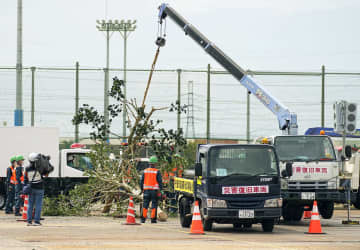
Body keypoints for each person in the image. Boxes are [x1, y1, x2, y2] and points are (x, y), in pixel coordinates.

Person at [24, 152, 46, 226]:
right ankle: (36, 221)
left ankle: (29, 221)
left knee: (30, 205)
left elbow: (25, 179)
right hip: (40, 188)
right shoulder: (40, 168)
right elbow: (45, 175)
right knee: (38, 205)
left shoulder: (27, 168)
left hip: (31, 188)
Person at [140, 156, 163, 223]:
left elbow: (141, 181)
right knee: (154, 204)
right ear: (155, 164)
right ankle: (153, 219)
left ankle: (143, 219)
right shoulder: (157, 172)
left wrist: (142, 189)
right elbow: (160, 181)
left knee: (145, 205)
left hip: (146, 190)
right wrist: (161, 190)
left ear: (149, 163)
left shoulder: (145, 171)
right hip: (154, 191)